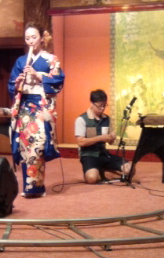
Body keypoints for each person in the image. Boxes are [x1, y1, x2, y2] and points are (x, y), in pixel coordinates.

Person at [8, 23, 64, 197]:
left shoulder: (50, 59)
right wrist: (17, 83)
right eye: (27, 38)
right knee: (25, 147)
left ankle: (36, 187)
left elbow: (58, 81)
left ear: (41, 38)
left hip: (41, 106)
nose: (30, 41)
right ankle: (29, 188)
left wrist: (37, 74)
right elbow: (12, 85)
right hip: (24, 107)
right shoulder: (21, 61)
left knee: (37, 145)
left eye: (34, 37)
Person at [75, 89, 131, 184]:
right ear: (92, 103)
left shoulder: (107, 119)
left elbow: (110, 142)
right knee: (92, 179)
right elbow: (80, 142)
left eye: (104, 105)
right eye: (99, 106)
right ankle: (98, 170)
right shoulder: (81, 119)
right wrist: (100, 138)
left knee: (130, 169)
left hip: (103, 154)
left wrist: (111, 138)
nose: (102, 108)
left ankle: (103, 169)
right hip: (89, 155)